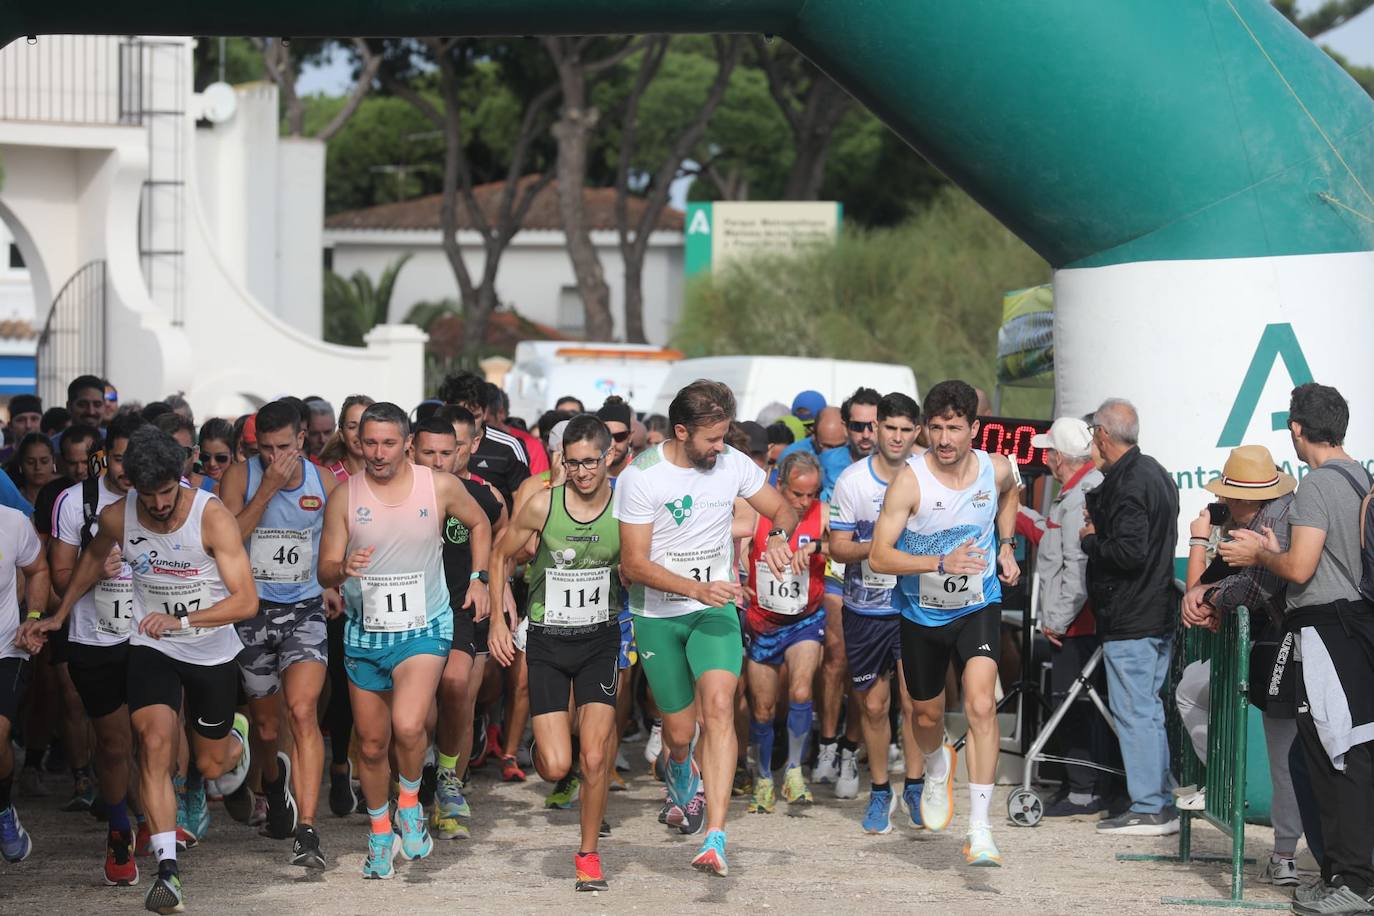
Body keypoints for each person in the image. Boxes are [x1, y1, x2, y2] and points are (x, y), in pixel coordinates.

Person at [27, 425, 256, 913]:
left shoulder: (212, 517)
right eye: (147, 494)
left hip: (209, 650)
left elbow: (246, 602)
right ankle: (167, 870)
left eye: (166, 492)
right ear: (132, 484)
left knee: (210, 764)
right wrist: (60, 614)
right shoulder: (117, 515)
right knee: (152, 743)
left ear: (180, 478)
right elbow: (91, 559)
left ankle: (237, 740)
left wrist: (183, 620)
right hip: (152, 646)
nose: (157, 504)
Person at [614, 379, 798, 876]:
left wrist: (778, 535)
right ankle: (679, 767)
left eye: (724, 437)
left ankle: (716, 835)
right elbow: (633, 564)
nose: (721, 447)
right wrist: (694, 589)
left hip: (715, 609)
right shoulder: (641, 477)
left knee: (719, 708)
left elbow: (782, 508)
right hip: (659, 614)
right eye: (712, 439)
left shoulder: (733, 463)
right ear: (681, 431)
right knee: (679, 733)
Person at [317, 402, 492, 880]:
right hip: (366, 632)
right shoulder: (344, 496)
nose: (378, 452)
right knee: (372, 746)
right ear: (358, 443)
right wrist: (341, 569)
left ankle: (410, 804)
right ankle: (380, 835)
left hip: (425, 626)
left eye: (388, 443)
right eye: (369, 442)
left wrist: (479, 579)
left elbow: (480, 523)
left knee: (409, 723)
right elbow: (324, 570)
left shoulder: (438, 486)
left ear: (407, 444)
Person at [1220, 383, 1374, 913]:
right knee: (1328, 756)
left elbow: (1301, 568)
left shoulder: (1316, 485)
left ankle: (1355, 884)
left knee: (1339, 757)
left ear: (1296, 429)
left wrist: (1260, 555)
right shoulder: (1359, 477)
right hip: (1354, 629)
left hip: (1327, 632)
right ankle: (1339, 877)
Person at [870, 379, 1021, 867]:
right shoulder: (910, 481)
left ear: (974, 428)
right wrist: (938, 563)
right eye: (935, 428)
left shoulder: (996, 468)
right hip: (922, 614)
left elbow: (1010, 495)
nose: (944, 439)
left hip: (979, 604)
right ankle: (937, 765)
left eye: (954, 428)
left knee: (981, 704)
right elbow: (878, 556)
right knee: (925, 717)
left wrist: (1006, 545)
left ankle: (980, 829)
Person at [490, 414, 623, 892]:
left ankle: (588, 855)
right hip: (548, 640)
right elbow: (500, 554)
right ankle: (542, 750)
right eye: (573, 463)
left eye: (591, 462)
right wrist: (498, 618)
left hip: (600, 639)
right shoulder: (543, 504)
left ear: (609, 456)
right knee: (556, 766)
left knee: (594, 757)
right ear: (562, 461)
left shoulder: (627, 507)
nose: (583, 472)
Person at [1175, 445, 1301, 887]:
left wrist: (1210, 593)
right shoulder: (1258, 521)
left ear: (1244, 499)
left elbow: (1252, 588)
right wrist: (1210, 596)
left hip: (1293, 644)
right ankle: (1290, 852)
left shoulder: (1271, 524)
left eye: (1226, 495)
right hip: (1286, 643)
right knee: (1296, 754)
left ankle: (1289, 853)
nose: (1220, 502)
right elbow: (1210, 587)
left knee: (1292, 754)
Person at [219, 400, 338, 867]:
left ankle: (307, 831)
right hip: (251, 612)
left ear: (302, 438)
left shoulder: (322, 481)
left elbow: (334, 543)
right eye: (265, 448)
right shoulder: (240, 477)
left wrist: (332, 584)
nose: (274, 457)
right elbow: (228, 539)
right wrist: (266, 489)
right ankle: (273, 781)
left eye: (283, 447)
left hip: (304, 611)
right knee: (267, 727)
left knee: (303, 711)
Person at [29, 414, 141, 882]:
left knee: (155, 736)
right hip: (95, 638)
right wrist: (96, 569)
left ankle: (159, 823)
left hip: (153, 638)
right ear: (104, 457)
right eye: (118, 458)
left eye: (136, 458)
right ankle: (119, 829)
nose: (127, 468)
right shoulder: (75, 501)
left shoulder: (171, 497)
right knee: (114, 744)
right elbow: (59, 579)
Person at [1078, 398, 1180, 836]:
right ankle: (1158, 803)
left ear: (1102, 435)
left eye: (1092, 435)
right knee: (1147, 711)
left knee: (1136, 712)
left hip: (1132, 617)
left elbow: (1129, 553)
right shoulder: (1156, 473)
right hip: (1153, 612)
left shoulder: (1131, 482)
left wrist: (1090, 539)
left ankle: (1150, 806)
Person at [829, 392, 927, 834]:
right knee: (873, 705)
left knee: (915, 702)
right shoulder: (852, 481)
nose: (898, 438)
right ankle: (881, 791)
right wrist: (880, 548)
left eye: (907, 430)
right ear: (877, 428)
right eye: (890, 428)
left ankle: (916, 787)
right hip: (864, 609)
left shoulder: (928, 475)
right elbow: (837, 547)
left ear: (916, 432)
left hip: (914, 606)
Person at [411, 414, 504, 840]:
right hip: (407, 611)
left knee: (456, 686)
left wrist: (486, 583)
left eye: (446, 452)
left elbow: (497, 534)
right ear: (412, 450)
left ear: (462, 451)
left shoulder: (478, 496)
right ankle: (410, 793)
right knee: (415, 713)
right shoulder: (393, 492)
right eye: (429, 452)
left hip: (457, 607)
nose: (438, 461)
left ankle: (449, 780)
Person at [1029, 417, 1111, 818]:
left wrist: (1056, 621)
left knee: (1073, 705)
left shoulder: (1080, 496)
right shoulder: (1076, 492)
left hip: (1077, 624)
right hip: (1076, 620)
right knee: (1073, 703)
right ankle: (1077, 784)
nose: (1044, 457)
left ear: (1059, 457)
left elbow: (1077, 570)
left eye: (1048, 450)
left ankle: (1083, 790)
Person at [741, 450, 829, 814]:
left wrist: (819, 547)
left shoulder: (824, 513)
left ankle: (794, 772)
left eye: (811, 494)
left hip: (805, 620)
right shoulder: (756, 514)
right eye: (797, 494)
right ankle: (763, 777)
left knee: (802, 689)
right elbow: (733, 548)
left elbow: (849, 547)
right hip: (763, 623)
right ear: (780, 486)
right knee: (763, 708)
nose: (805, 502)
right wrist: (739, 582)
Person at [813, 387, 881, 796]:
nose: (866, 434)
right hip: (837, 566)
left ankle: (850, 749)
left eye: (873, 425)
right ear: (845, 426)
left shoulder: (899, 462)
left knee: (862, 664)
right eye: (858, 426)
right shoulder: (827, 463)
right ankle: (826, 745)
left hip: (880, 572)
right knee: (836, 656)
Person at [316, 394, 373, 813]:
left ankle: (373, 768)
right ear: (342, 430)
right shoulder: (327, 477)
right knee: (340, 682)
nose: (359, 434)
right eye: (352, 426)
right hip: (338, 595)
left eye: (365, 426)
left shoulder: (393, 475)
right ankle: (339, 764)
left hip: (385, 594)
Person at [0, 503, 51, 865]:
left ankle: (3, 809)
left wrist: (32, 617)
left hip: (5, 647)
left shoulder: (12, 522)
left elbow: (38, 569)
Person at [438, 373, 530, 503]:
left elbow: (524, 505)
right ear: (446, 407)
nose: (469, 423)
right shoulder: (427, 441)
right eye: (461, 417)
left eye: (475, 416)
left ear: (485, 411)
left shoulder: (509, 447)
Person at [197, 419, 235, 487]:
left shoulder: (245, 486)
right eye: (205, 457)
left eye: (220, 458)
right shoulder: (190, 486)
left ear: (232, 455)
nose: (212, 463)